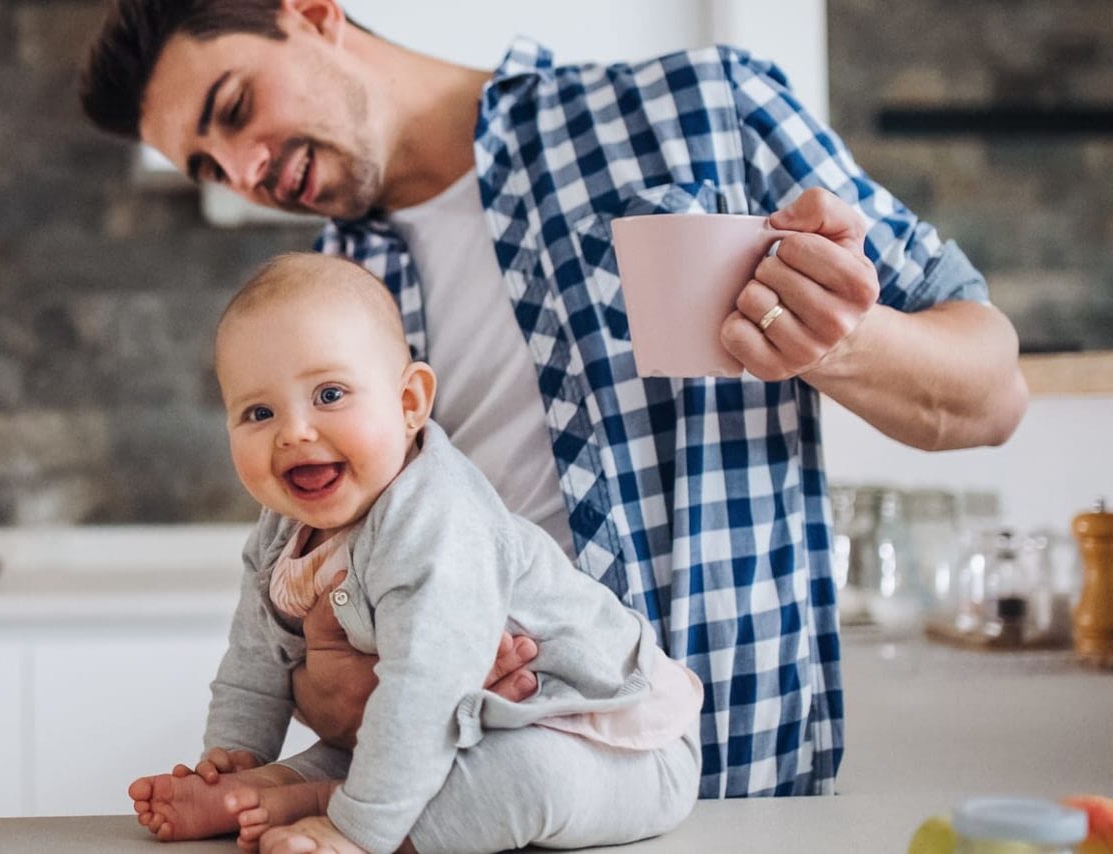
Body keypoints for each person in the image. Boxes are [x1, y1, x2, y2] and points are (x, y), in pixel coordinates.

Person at [79, 0, 1028, 797]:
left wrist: (842, 342)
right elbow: (339, 634)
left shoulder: (699, 111)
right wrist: (340, 681)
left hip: (737, 784)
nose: (243, 173)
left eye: (234, 109)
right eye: (207, 166)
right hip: (477, 796)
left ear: (314, 15)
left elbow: (991, 395)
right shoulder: (329, 301)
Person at [130, 254, 701, 854]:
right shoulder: (280, 534)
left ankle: (342, 810)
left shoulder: (434, 520)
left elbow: (424, 692)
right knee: (376, 741)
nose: (293, 432)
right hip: (461, 728)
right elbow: (253, 659)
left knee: (528, 777)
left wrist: (360, 829)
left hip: (608, 738)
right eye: (259, 412)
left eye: (329, 394)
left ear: (409, 404)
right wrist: (233, 757)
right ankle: (269, 790)